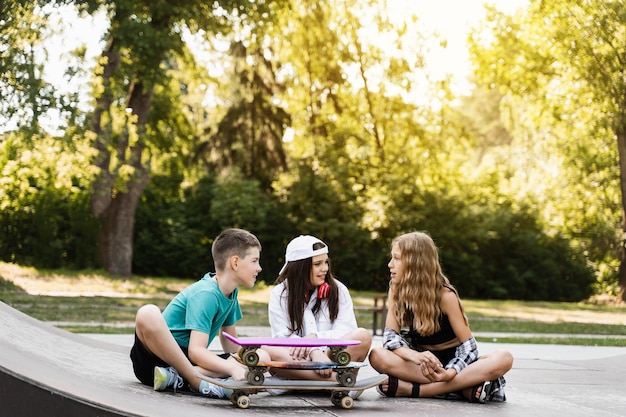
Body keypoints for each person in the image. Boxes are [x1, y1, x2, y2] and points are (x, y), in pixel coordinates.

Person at [368, 231, 513, 403]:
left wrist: (450, 372)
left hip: (455, 363)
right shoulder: (396, 288)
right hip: (421, 363)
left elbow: (469, 348)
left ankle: (417, 390)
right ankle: (461, 388)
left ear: (415, 263)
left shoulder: (446, 296)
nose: (390, 264)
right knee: (377, 355)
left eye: (397, 258)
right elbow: (391, 337)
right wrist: (414, 356)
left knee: (504, 358)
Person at [130, 228, 270, 399]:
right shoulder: (206, 294)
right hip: (156, 360)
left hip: (182, 366)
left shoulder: (230, 293)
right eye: (254, 261)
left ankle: (177, 378)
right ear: (235, 263)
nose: (259, 268)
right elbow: (196, 351)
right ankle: (196, 381)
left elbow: (231, 344)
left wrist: (249, 361)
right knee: (147, 312)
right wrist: (231, 368)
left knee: (261, 357)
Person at [267, 235, 372, 382]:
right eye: (317, 264)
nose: (325, 269)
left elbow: (346, 330)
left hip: (331, 357)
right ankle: (337, 381)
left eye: (326, 262)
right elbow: (282, 337)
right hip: (298, 359)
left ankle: (318, 380)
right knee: (267, 350)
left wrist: (316, 338)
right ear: (300, 267)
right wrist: (313, 350)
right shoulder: (279, 294)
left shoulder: (339, 290)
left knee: (363, 336)